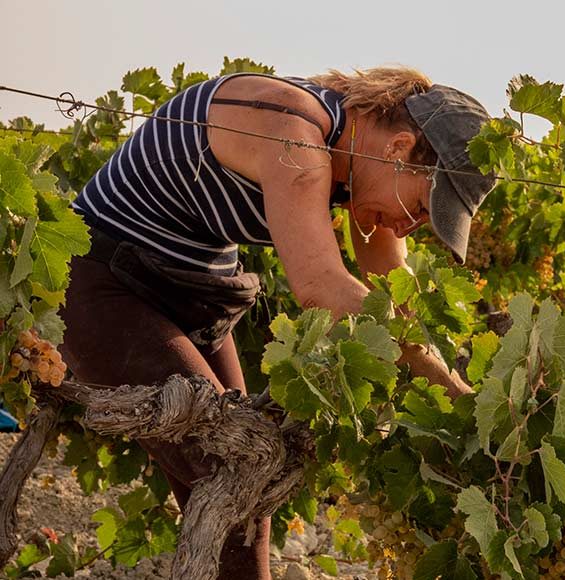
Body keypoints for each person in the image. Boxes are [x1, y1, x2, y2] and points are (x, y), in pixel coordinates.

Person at [58, 67, 495, 579]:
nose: (408, 227)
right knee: (234, 461)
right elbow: (321, 288)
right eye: (421, 209)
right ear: (398, 147)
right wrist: (450, 388)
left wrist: (462, 400)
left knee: (246, 482)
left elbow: (390, 289)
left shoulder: (359, 159)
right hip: (106, 284)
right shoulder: (297, 137)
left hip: (194, 296)